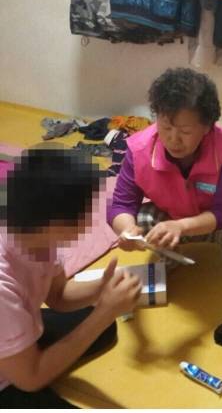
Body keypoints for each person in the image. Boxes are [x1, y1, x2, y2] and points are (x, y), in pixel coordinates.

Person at [0, 147, 142, 408]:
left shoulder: (35, 233)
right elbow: (31, 379)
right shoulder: (3, 287)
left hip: (14, 325)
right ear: (56, 222)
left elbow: (58, 296)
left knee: (103, 328)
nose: (90, 222)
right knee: (96, 324)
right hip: (13, 379)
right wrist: (104, 313)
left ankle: (25, 347)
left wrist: (103, 286)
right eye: (86, 213)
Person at [108, 68, 222, 284]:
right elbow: (122, 204)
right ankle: (170, 258)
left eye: (185, 131)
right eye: (165, 127)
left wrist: (182, 227)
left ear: (207, 127)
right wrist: (126, 231)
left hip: (209, 220)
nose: (173, 139)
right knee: (141, 220)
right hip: (168, 217)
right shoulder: (139, 150)